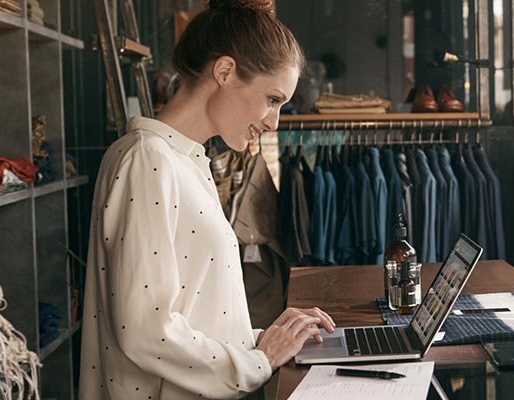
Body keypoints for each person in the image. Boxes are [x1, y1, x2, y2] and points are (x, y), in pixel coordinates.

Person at [78, 1, 336, 398]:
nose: (274, 122)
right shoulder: (149, 160)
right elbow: (146, 330)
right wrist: (259, 361)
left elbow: (192, 312)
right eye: (272, 99)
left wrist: (267, 339)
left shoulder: (181, 160)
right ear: (225, 71)